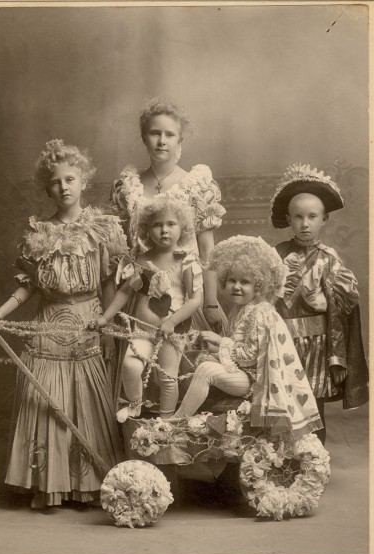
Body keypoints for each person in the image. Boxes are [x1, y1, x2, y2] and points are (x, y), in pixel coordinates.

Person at [0, 139, 128, 509]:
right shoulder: (38, 234)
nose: (63, 187)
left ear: (83, 182)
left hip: (90, 324)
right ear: (47, 188)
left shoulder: (103, 228)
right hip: (48, 326)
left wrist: (109, 330)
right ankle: (50, 486)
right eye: (55, 181)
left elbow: (110, 282)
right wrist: (0, 313)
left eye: (70, 178)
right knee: (47, 403)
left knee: (87, 404)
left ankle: (89, 485)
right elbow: (30, 285)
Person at [174, 235, 323, 441]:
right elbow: (235, 348)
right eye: (232, 281)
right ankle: (185, 417)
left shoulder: (260, 312)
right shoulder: (240, 309)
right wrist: (208, 344)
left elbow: (249, 356)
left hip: (255, 380)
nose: (236, 286)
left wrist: (220, 342)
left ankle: (177, 422)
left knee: (206, 369)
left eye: (245, 282)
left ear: (258, 287)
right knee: (198, 359)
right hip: (240, 372)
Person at [270, 163, 369, 444]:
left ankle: (315, 458)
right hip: (284, 340)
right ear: (289, 219)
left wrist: (327, 303)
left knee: (313, 402)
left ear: (324, 219)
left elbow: (347, 303)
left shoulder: (329, 258)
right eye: (298, 217)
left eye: (312, 216)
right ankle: (285, 457)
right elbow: (264, 295)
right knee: (284, 399)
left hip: (317, 342)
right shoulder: (277, 255)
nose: (305, 224)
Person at [110, 98, 226, 334]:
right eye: (155, 133)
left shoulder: (197, 186)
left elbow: (207, 251)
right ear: (144, 137)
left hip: (188, 295)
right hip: (140, 297)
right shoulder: (128, 187)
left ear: (180, 139)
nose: (162, 141)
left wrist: (211, 302)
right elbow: (124, 251)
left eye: (170, 135)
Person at [97, 195, 203, 422]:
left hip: (172, 332)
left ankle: (165, 422)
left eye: (170, 224)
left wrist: (172, 322)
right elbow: (126, 291)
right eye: (157, 225)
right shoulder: (142, 261)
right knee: (131, 364)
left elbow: (195, 300)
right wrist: (106, 317)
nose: (164, 230)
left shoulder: (186, 261)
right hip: (142, 330)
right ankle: (135, 404)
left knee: (167, 377)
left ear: (181, 227)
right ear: (147, 229)